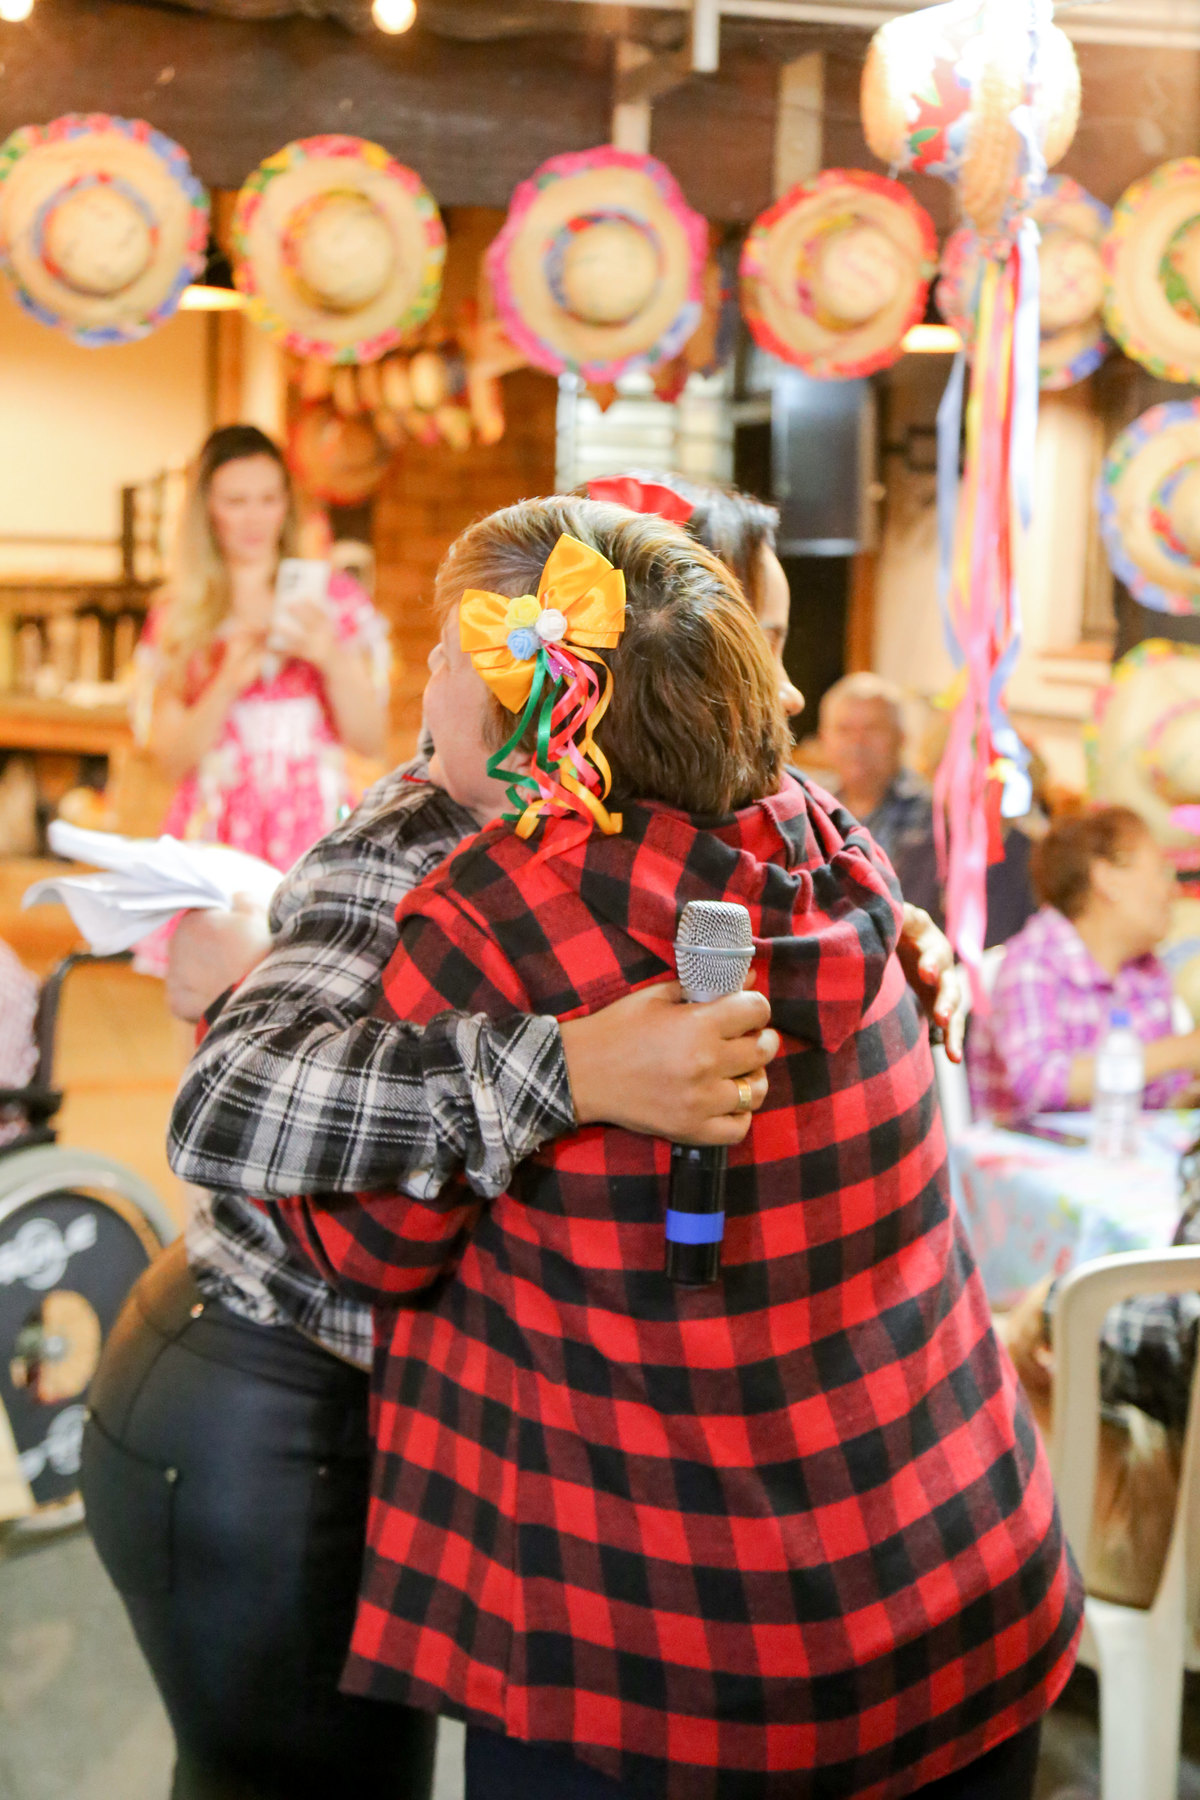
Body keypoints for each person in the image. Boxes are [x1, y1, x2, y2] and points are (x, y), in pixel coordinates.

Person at [269, 497, 1082, 1800]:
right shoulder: (842, 849)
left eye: (451, 657)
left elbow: (361, 1245)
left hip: (678, 1660)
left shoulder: (492, 923)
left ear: (523, 704)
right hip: (965, 1577)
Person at [83, 753, 781, 1799]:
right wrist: (571, 1068)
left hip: (353, 1404)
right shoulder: (435, 822)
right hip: (264, 1391)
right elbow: (224, 1102)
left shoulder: (683, 834)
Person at [133, 423, 388, 876]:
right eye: (236, 501)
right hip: (215, 833)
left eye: (268, 499)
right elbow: (169, 762)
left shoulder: (333, 600)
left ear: (286, 504)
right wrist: (226, 683)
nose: (254, 518)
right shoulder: (181, 616)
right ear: (207, 509)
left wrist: (330, 657)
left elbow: (368, 740)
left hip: (314, 832)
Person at [969, 805, 1200, 1123]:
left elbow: (1157, 1100)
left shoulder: (1147, 971)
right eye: (1161, 871)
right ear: (1106, 879)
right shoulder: (1033, 962)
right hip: (1030, 1162)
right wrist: (1183, 1051)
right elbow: (1038, 1083)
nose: (1172, 891)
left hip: (1119, 1159)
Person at [817, 670, 943, 922]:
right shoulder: (814, 809)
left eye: (872, 729)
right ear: (824, 739)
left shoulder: (934, 815)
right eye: (844, 730)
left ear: (902, 738)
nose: (857, 742)